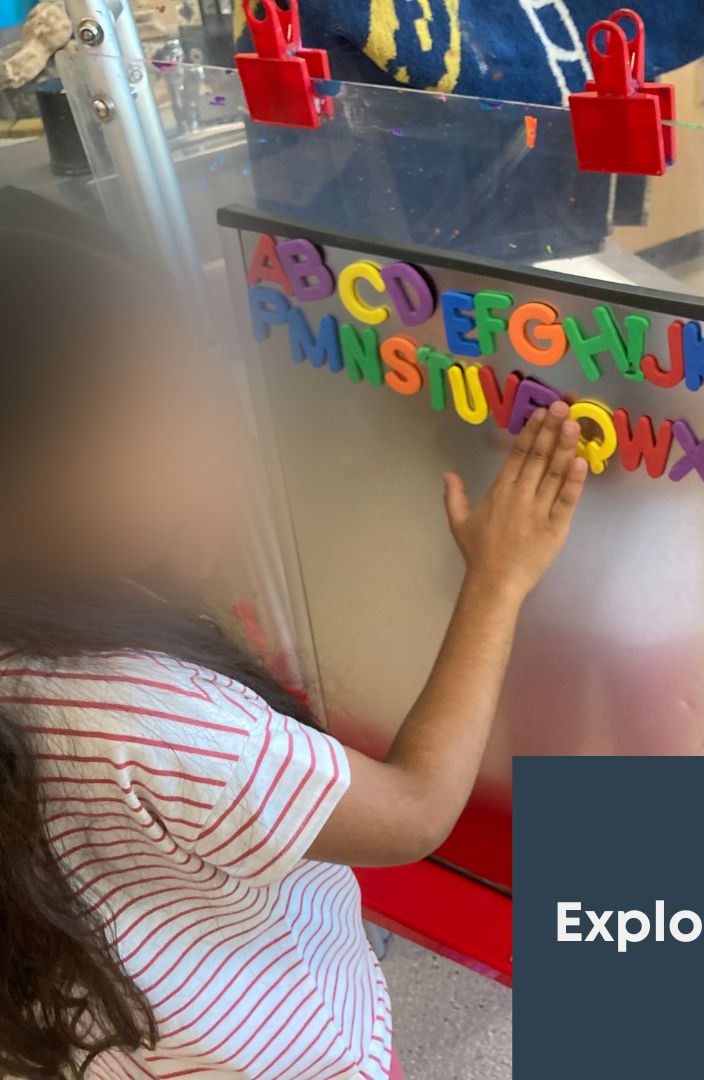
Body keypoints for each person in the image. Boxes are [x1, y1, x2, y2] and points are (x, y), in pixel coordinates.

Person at [0, 187, 587, 1079]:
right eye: (167, 409)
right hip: (278, 1054)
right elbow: (415, 809)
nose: (224, 426)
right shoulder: (151, 716)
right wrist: (498, 579)